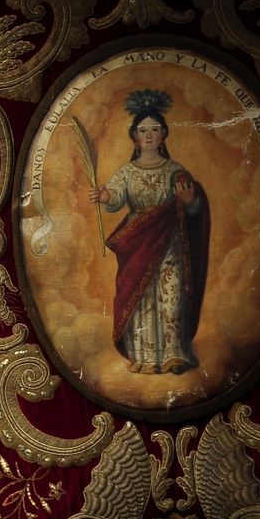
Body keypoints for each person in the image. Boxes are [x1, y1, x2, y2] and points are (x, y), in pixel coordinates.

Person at [87, 89, 209, 375]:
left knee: (172, 295)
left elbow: (192, 208)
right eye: (143, 130)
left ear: (164, 134)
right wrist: (105, 196)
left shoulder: (176, 170)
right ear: (135, 136)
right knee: (140, 298)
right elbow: (116, 194)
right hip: (139, 241)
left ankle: (173, 354)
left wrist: (191, 202)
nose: (150, 135)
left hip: (170, 242)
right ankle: (145, 357)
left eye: (155, 129)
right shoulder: (128, 172)